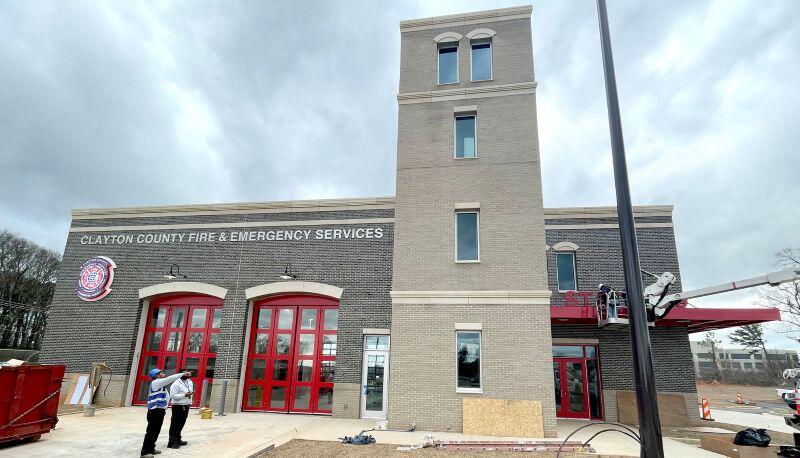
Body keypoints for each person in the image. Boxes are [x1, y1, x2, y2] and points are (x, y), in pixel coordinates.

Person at [141, 368, 191, 457]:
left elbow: (167, 397)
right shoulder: (156, 382)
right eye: (161, 373)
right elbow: (170, 379)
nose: (163, 373)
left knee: (156, 431)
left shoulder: (161, 385)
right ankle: (145, 452)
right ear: (157, 375)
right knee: (151, 432)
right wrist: (182, 374)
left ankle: (151, 448)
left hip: (160, 410)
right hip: (154, 410)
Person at [167, 368, 194, 449]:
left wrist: (189, 400)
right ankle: (172, 442)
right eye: (185, 373)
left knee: (181, 423)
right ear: (180, 375)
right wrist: (184, 395)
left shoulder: (189, 382)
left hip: (186, 405)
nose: (187, 374)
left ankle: (178, 439)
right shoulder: (175, 384)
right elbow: (172, 396)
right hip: (178, 406)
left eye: (188, 373)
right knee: (175, 424)